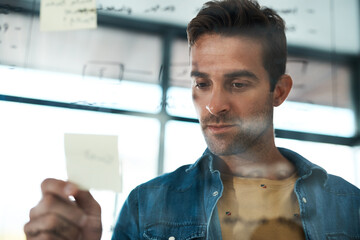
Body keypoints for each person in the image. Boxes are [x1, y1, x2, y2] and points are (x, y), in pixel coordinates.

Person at [24, 0, 360, 239]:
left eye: (238, 84)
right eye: (202, 83)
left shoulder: (349, 207)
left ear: (279, 91)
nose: (214, 105)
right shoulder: (148, 205)